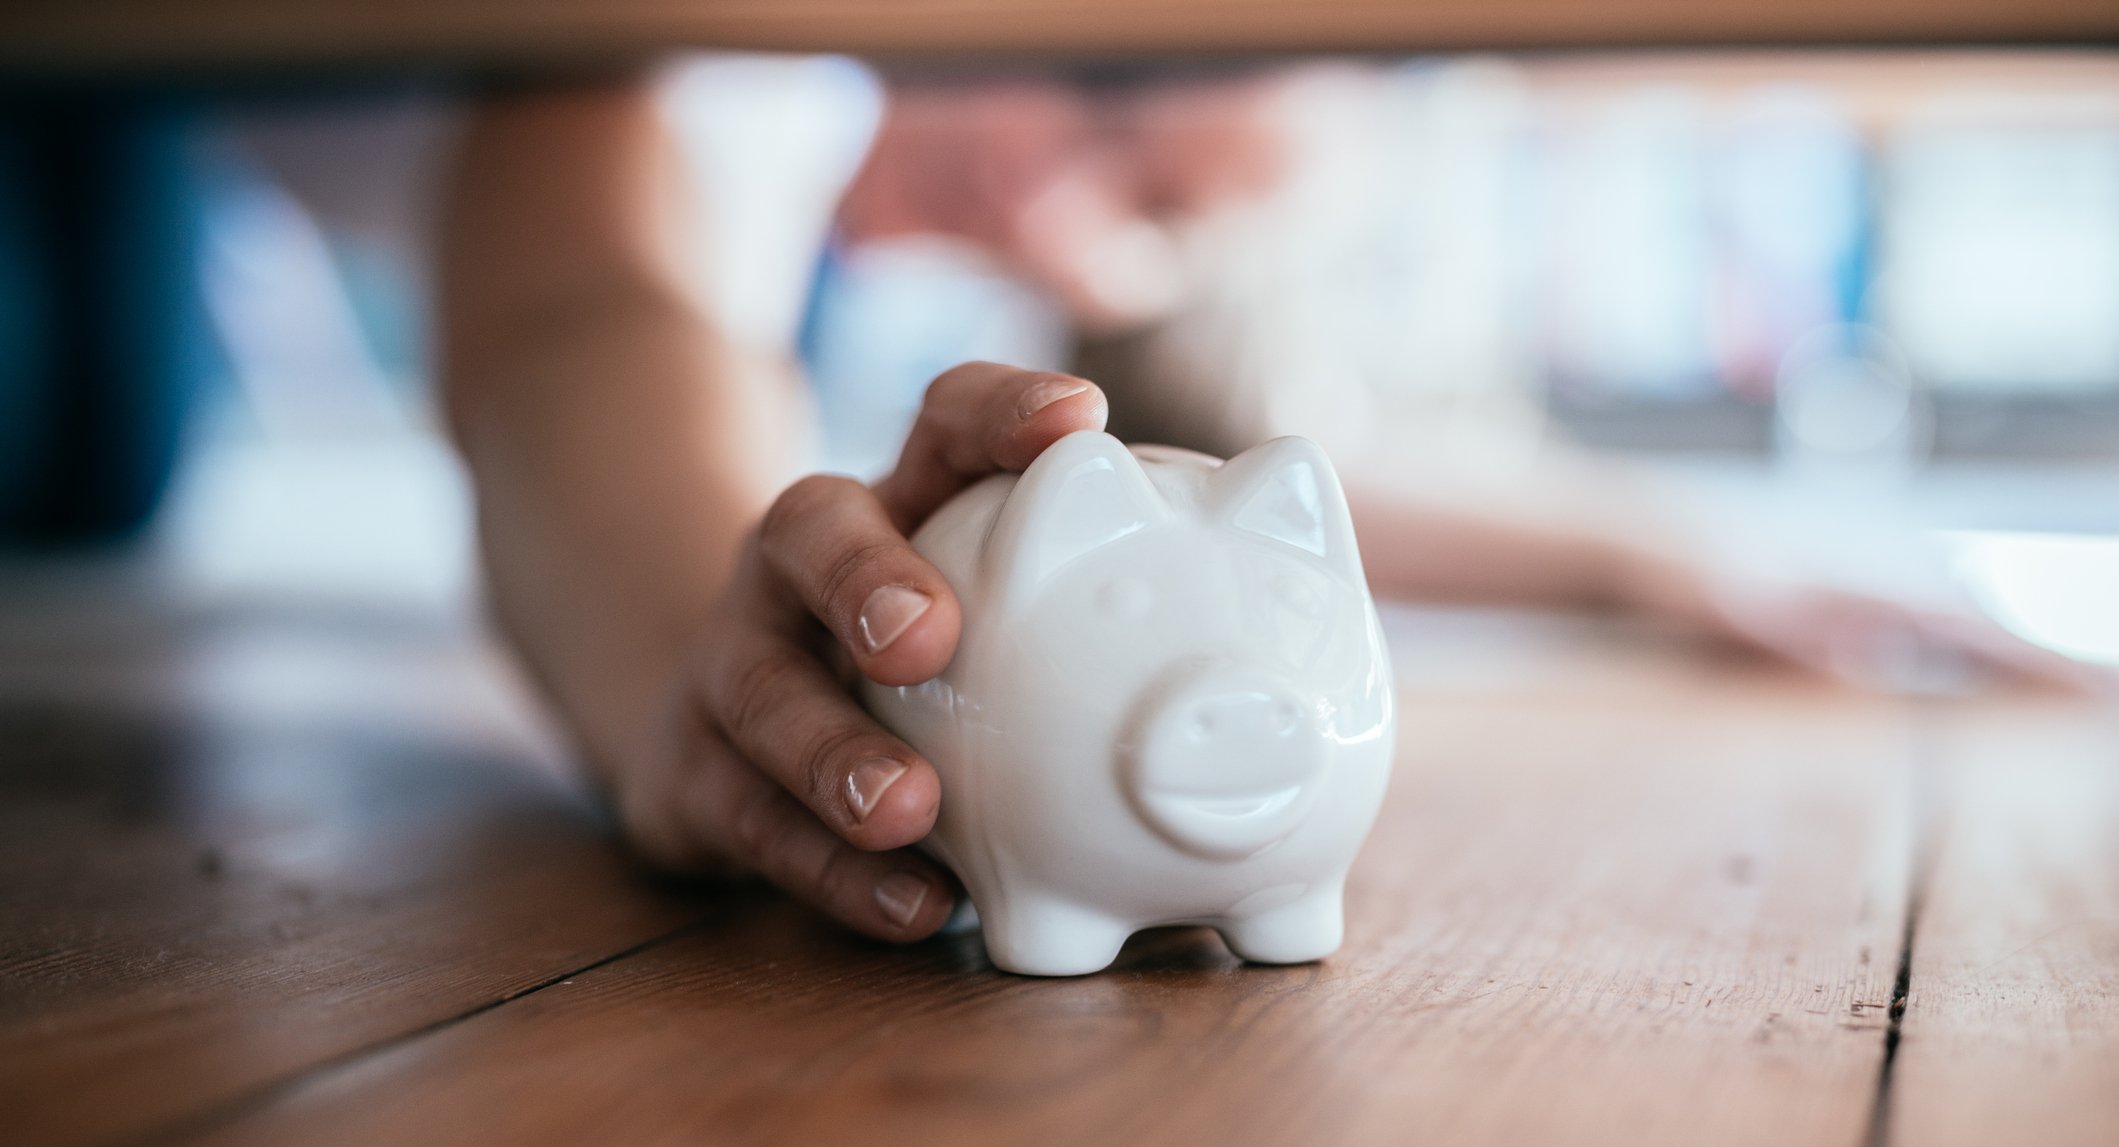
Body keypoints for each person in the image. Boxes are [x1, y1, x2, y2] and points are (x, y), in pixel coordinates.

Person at [434, 69, 2093, 945]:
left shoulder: (1001, 253)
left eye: (1158, 219)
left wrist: (1666, 558)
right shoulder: (726, 84)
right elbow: (578, 328)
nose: (1062, 225)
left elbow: (1252, 482)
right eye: (1094, 107)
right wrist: (689, 656)